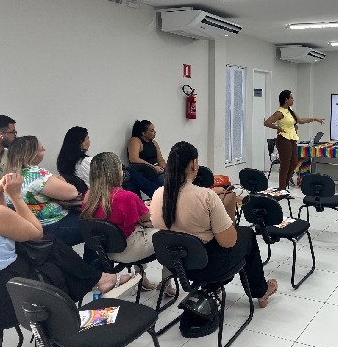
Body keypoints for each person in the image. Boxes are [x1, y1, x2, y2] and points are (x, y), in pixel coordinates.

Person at [0, 155, 135, 330]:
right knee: (51, 253)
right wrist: (16, 196)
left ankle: (97, 282)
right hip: (10, 299)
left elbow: (1, 226)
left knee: (48, 249)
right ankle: (73, 322)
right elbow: (36, 233)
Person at [150, 141, 278, 308]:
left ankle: (213, 287)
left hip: (176, 266)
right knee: (247, 235)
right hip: (208, 267)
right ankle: (260, 291)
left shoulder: (158, 194)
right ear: (194, 164)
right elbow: (229, 242)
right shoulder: (206, 196)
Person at [82, 152, 173, 294]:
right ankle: (166, 284)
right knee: (169, 234)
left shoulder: (88, 196)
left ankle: (142, 279)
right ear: (116, 172)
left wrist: (140, 206)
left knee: (139, 231)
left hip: (105, 251)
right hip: (128, 250)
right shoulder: (126, 197)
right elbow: (148, 219)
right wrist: (150, 207)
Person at [6, 136, 96, 263]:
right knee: (96, 225)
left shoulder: (10, 176)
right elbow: (72, 192)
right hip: (52, 225)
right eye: (41, 148)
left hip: (30, 228)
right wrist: (58, 178)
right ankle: (93, 266)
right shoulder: (36, 174)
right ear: (32, 154)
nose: (45, 149)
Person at [57, 126, 159, 197]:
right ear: (81, 142)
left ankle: (153, 196)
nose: (89, 141)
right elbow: (106, 180)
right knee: (130, 176)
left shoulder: (65, 162)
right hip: (102, 192)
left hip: (92, 192)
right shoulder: (87, 162)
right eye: (87, 138)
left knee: (130, 174)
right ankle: (156, 195)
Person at [264, 90, 324, 190]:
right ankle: (282, 188)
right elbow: (267, 122)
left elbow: (300, 120)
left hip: (292, 139)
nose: (293, 99)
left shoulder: (290, 110)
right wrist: (277, 128)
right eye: (291, 98)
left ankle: (284, 185)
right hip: (283, 139)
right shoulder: (280, 112)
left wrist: (314, 119)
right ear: (286, 100)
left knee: (294, 163)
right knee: (285, 164)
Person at [127, 120, 166, 186]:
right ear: (144, 133)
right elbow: (134, 159)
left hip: (157, 170)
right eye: (152, 131)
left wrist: (164, 167)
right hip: (146, 172)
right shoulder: (135, 141)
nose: (155, 132)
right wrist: (153, 167)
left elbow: (160, 159)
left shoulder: (154, 142)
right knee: (165, 180)